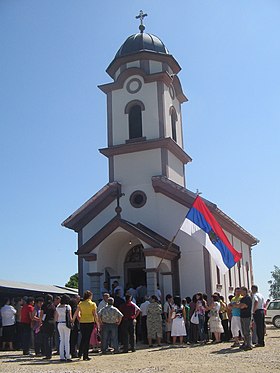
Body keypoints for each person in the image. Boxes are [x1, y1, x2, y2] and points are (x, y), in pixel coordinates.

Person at [73, 290, 99, 361]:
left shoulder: (81, 303)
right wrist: (98, 323)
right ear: (90, 296)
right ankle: (85, 355)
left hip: (82, 322)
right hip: (90, 322)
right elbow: (95, 314)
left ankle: (80, 353)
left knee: (83, 338)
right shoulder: (93, 304)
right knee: (87, 339)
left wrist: (73, 320)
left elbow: (76, 313)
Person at [232, 286, 253, 351]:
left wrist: (237, 305)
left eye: (241, 291)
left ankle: (249, 344)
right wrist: (238, 305)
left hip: (247, 316)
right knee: (243, 331)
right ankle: (245, 343)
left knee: (247, 331)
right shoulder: (242, 299)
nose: (239, 292)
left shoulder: (248, 298)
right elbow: (239, 305)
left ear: (244, 291)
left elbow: (243, 306)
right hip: (242, 315)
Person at [54, 294, 73, 362]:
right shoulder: (68, 307)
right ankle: (67, 356)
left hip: (59, 323)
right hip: (66, 323)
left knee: (61, 340)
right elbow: (70, 318)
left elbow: (56, 318)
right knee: (67, 340)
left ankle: (61, 356)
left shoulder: (58, 307)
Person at [40, 294, 56, 360]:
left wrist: (40, 321)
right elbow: (55, 314)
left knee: (46, 339)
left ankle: (47, 354)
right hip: (52, 322)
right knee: (51, 338)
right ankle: (50, 353)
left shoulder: (44, 305)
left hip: (46, 322)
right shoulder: (53, 306)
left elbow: (41, 314)